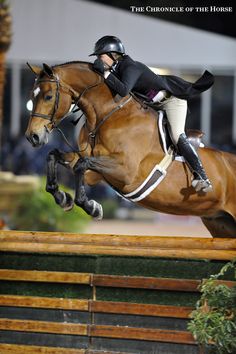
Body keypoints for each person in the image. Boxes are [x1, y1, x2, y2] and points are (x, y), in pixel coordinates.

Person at [90, 35, 214, 193]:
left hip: (172, 102)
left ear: (113, 54)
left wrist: (105, 74)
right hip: (154, 105)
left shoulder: (130, 66)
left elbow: (123, 91)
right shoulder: (118, 68)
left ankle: (202, 176)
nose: (100, 60)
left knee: (176, 135)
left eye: (101, 56)